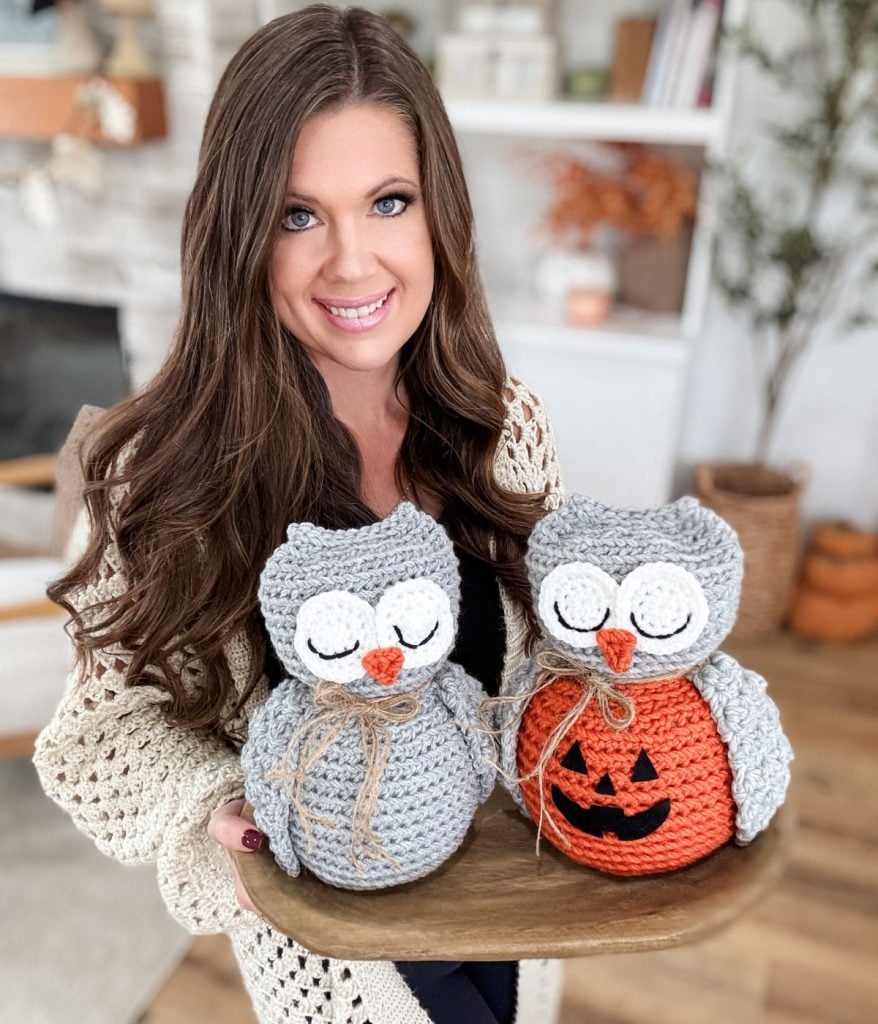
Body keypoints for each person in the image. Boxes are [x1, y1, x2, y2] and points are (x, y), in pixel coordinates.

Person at [33, 5, 565, 1023]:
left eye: (388, 202)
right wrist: (215, 807)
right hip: (334, 969)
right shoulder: (157, 473)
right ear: (238, 233)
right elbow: (96, 736)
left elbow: (549, 664)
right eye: (297, 216)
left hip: (512, 918)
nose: (352, 262)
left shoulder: (504, 425)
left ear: (439, 213)